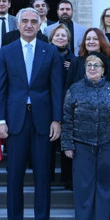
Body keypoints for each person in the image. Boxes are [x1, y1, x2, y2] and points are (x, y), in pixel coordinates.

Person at [0, 7, 63, 220]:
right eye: (25, 21)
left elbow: (56, 88)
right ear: (17, 24)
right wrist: (0, 120)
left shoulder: (51, 51)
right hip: (15, 122)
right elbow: (0, 89)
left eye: (34, 21)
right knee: (15, 176)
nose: (29, 25)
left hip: (43, 122)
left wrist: (57, 119)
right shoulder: (6, 51)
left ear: (40, 23)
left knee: (43, 176)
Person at [62, 53, 110, 220]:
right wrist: (67, 144)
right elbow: (67, 118)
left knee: (105, 189)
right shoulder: (75, 89)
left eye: (96, 65)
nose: (92, 68)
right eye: (89, 65)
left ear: (103, 69)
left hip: (108, 145)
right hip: (82, 145)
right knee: (84, 189)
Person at [49, 23, 74, 188]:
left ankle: (68, 178)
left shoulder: (74, 59)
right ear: (51, 38)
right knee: (49, 143)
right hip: (49, 105)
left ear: (68, 39)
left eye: (63, 35)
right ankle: (48, 178)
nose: (60, 38)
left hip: (69, 106)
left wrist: (73, 68)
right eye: (57, 35)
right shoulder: (45, 55)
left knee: (67, 142)